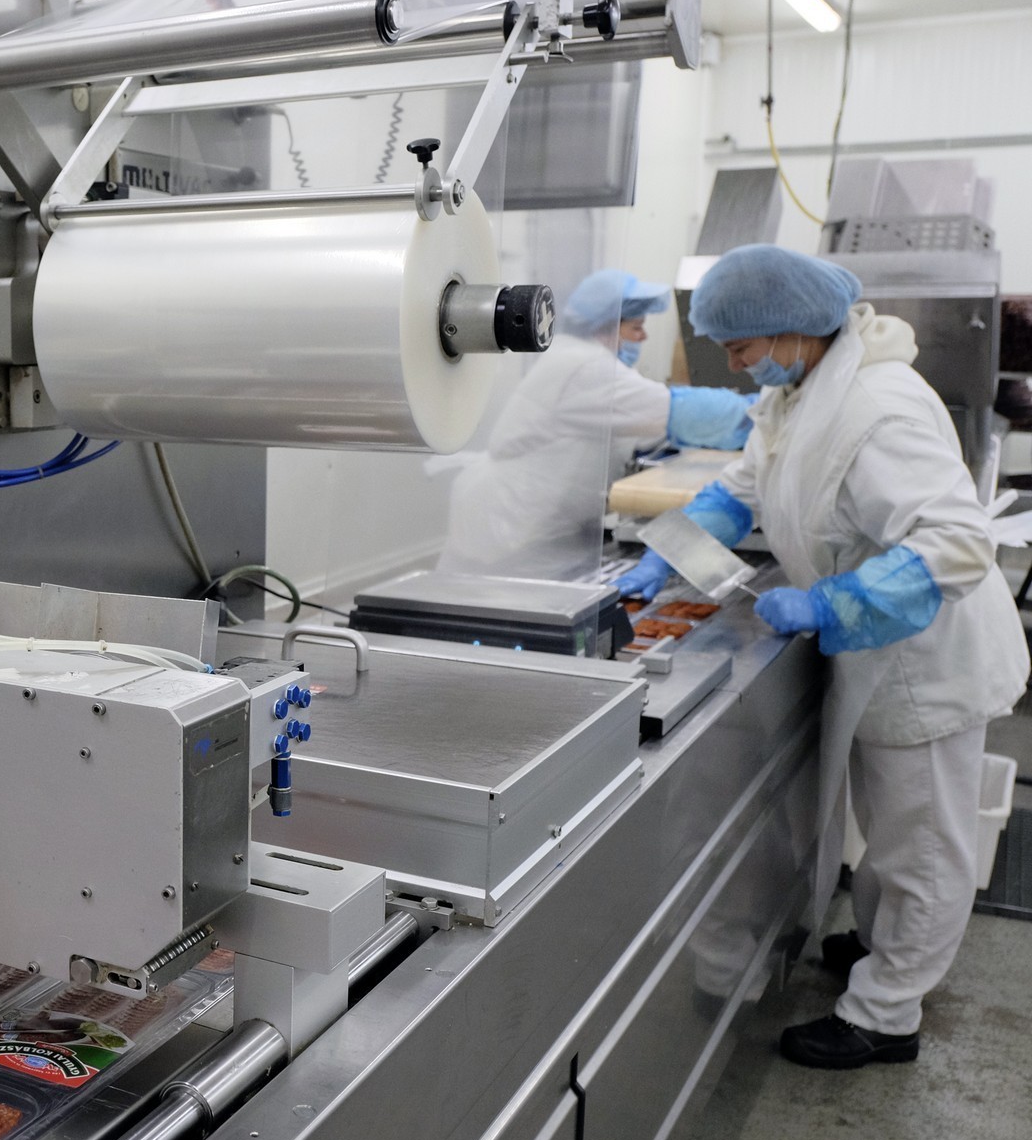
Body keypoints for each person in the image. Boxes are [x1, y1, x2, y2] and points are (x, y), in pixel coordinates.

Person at [618, 244, 1029, 1069]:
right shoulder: (802, 390)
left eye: (742, 348)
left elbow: (956, 543)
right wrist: (671, 549)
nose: (736, 366)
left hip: (926, 658)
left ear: (794, 329)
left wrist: (833, 604)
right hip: (881, 656)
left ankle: (886, 1013)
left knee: (923, 846)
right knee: (890, 824)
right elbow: (743, 487)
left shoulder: (879, 406)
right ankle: (880, 944)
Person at [437, 269, 755, 580]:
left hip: (529, 521)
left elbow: (639, 427)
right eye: (636, 327)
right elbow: (684, 412)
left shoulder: (579, 358)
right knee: (491, 603)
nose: (643, 337)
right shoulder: (585, 367)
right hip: (512, 529)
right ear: (606, 327)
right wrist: (761, 410)